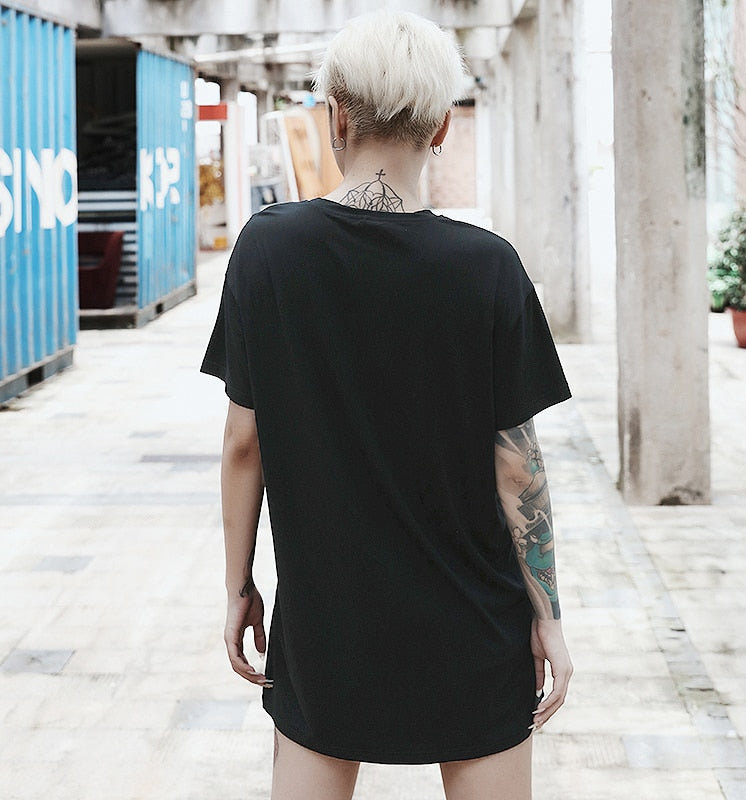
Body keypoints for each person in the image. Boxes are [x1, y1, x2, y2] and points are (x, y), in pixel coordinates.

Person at [201, 10, 573, 799]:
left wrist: (239, 588)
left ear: (335, 118)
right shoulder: (489, 267)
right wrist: (549, 618)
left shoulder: (269, 249)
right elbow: (518, 468)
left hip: (327, 627)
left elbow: (243, 444)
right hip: (474, 625)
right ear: (441, 128)